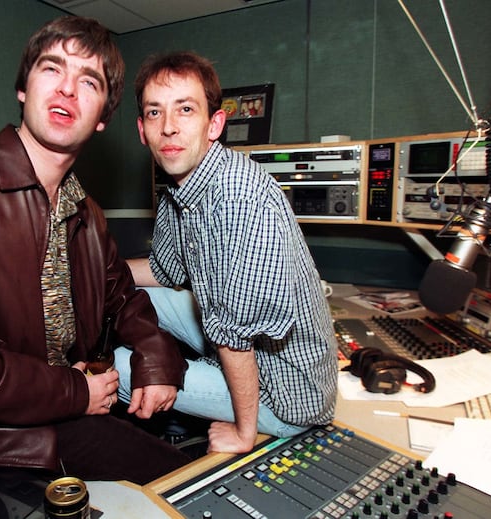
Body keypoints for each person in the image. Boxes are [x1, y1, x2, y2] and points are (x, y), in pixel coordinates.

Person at [0, 17, 190, 485]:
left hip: (73, 415)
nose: (67, 89)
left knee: (193, 485)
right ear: (23, 89)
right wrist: (76, 391)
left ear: (102, 118)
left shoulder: (86, 212)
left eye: (87, 81)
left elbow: (125, 297)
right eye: (52, 69)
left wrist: (156, 359)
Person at [117, 51, 338, 455]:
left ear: (214, 124)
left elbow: (236, 340)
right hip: (237, 347)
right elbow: (165, 271)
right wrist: (93, 273)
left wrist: (242, 434)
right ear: (142, 129)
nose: (168, 127)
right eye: (154, 113)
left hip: (285, 394)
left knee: (118, 369)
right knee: (128, 294)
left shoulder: (239, 199)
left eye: (185, 109)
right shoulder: (179, 191)